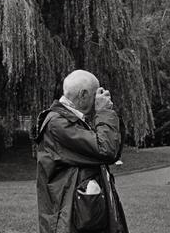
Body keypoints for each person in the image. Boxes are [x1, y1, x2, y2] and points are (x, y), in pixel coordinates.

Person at [34, 69, 128, 233]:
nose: (98, 100)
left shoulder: (74, 121)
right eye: (95, 95)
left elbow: (111, 151)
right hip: (70, 221)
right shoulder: (57, 124)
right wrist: (104, 112)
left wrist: (107, 114)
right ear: (83, 95)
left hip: (83, 217)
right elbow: (106, 150)